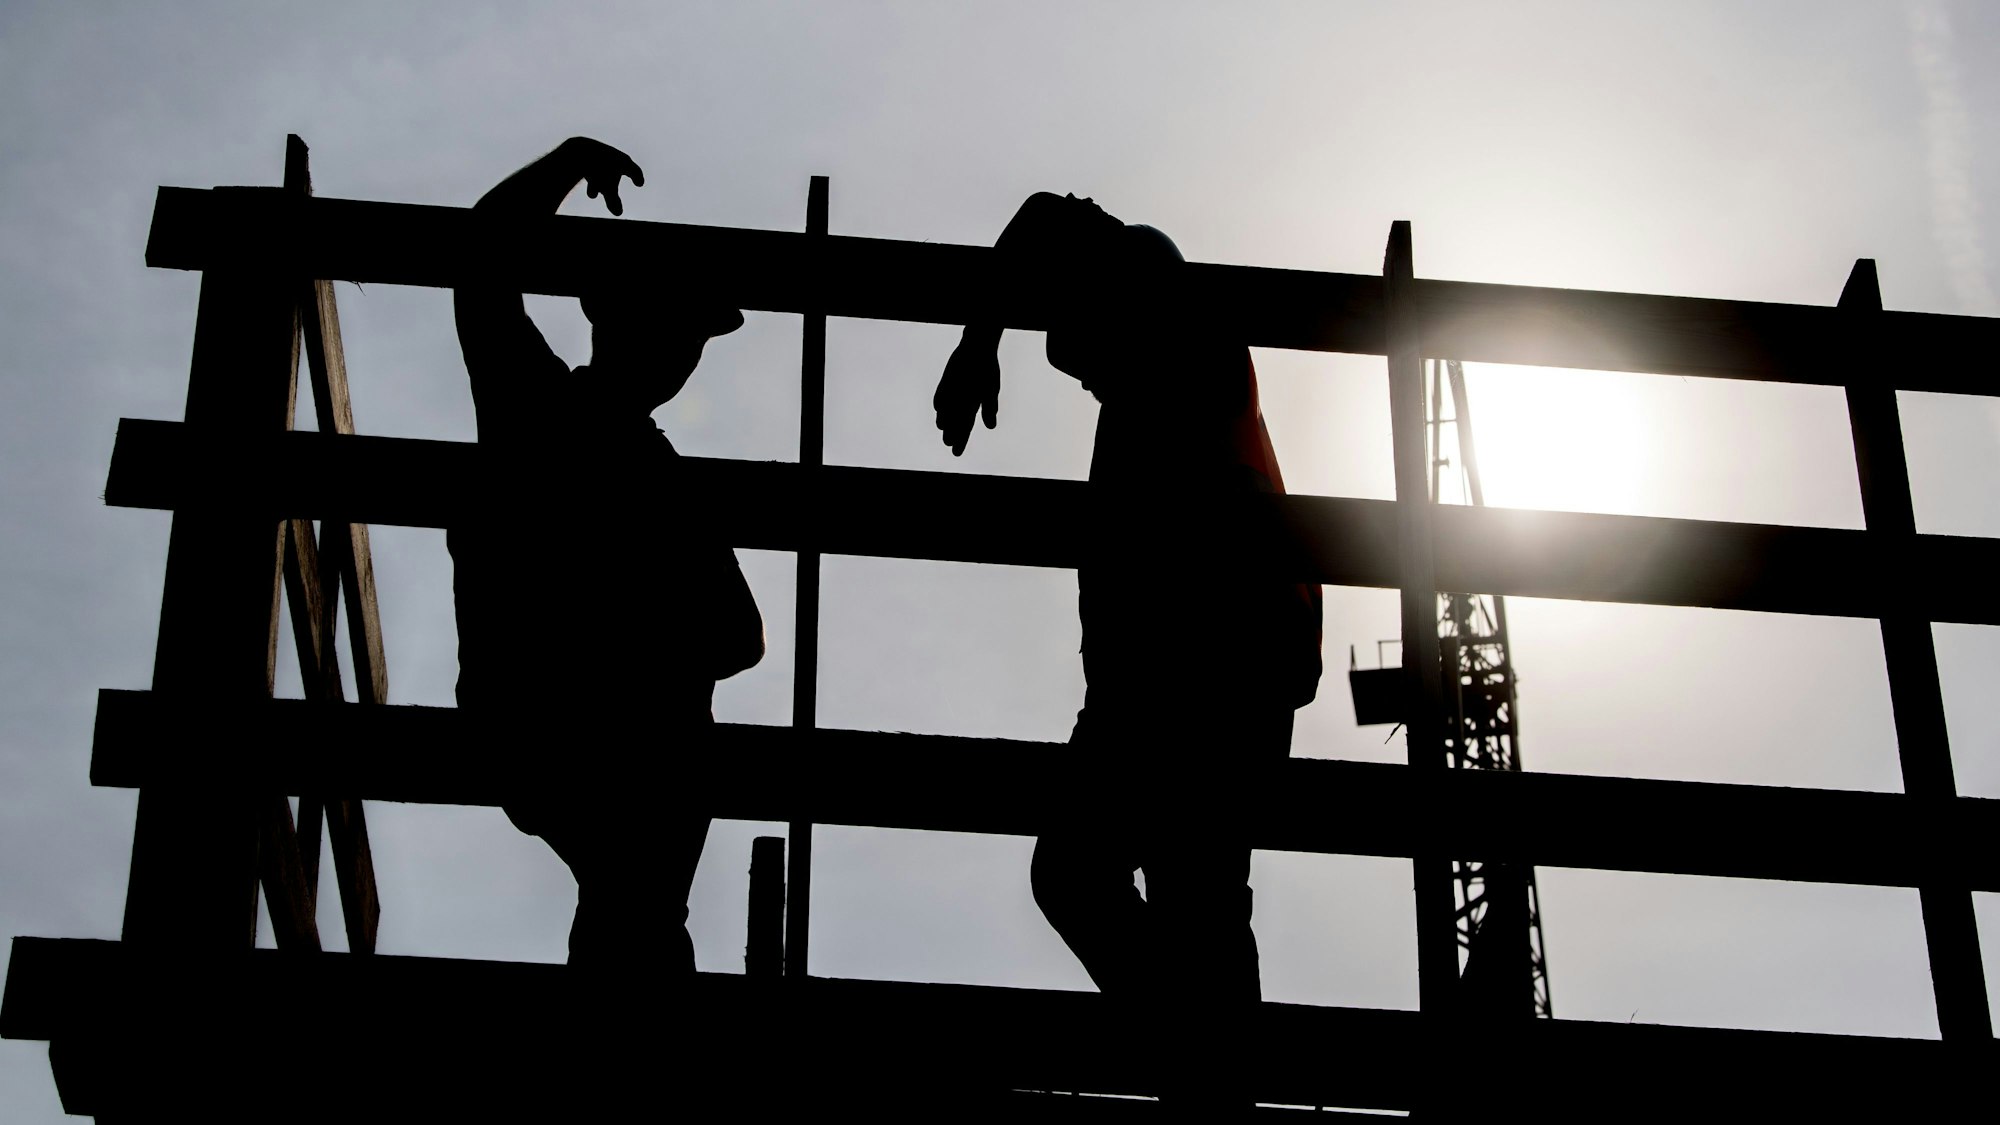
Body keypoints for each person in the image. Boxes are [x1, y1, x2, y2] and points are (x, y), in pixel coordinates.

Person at [933, 192, 1322, 1103]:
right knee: (1189, 903)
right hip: (1194, 675)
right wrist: (980, 339)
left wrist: (979, 340)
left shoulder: (1172, 332)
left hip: (1199, 676)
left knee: (1136, 888)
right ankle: (1210, 1072)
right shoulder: (1160, 369)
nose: (1080, 380)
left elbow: (1042, 218)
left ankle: (1206, 1074)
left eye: (1078, 354)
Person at [450, 137, 764, 976]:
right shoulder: (540, 407)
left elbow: (741, 635)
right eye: (675, 327)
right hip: (562, 728)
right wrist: (563, 164)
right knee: (637, 911)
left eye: (690, 336)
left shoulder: (658, 474)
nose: (682, 355)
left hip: (607, 748)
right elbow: (480, 268)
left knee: (637, 911)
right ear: (617, 318)